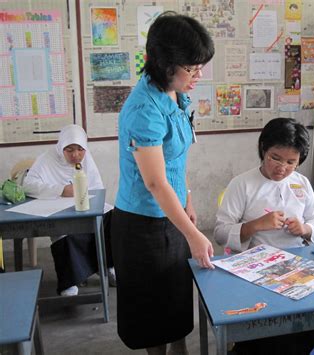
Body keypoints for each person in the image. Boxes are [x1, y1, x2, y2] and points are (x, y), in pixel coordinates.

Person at [111, 12, 215, 355]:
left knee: (175, 299)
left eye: (200, 67)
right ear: (165, 62)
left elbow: (175, 160)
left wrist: (187, 200)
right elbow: (155, 182)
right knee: (152, 315)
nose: (198, 75)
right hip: (142, 225)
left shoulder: (175, 94)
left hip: (171, 214)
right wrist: (192, 234)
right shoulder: (144, 108)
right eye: (192, 67)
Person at [22, 124, 115, 296]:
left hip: (84, 206)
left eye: (80, 149)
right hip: (56, 210)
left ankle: (108, 265)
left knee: (112, 215)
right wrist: (61, 190)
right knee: (65, 232)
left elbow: (97, 188)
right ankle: (70, 281)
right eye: (69, 150)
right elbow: (28, 185)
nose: (75, 155)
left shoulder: (87, 159)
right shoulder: (47, 159)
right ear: (61, 148)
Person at [214, 117, 314, 251]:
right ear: (263, 149)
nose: (282, 168)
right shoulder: (242, 184)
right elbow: (220, 234)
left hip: (296, 256)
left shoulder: (301, 182)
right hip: (256, 260)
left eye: (291, 162)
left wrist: (305, 229)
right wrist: (255, 225)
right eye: (276, 158)